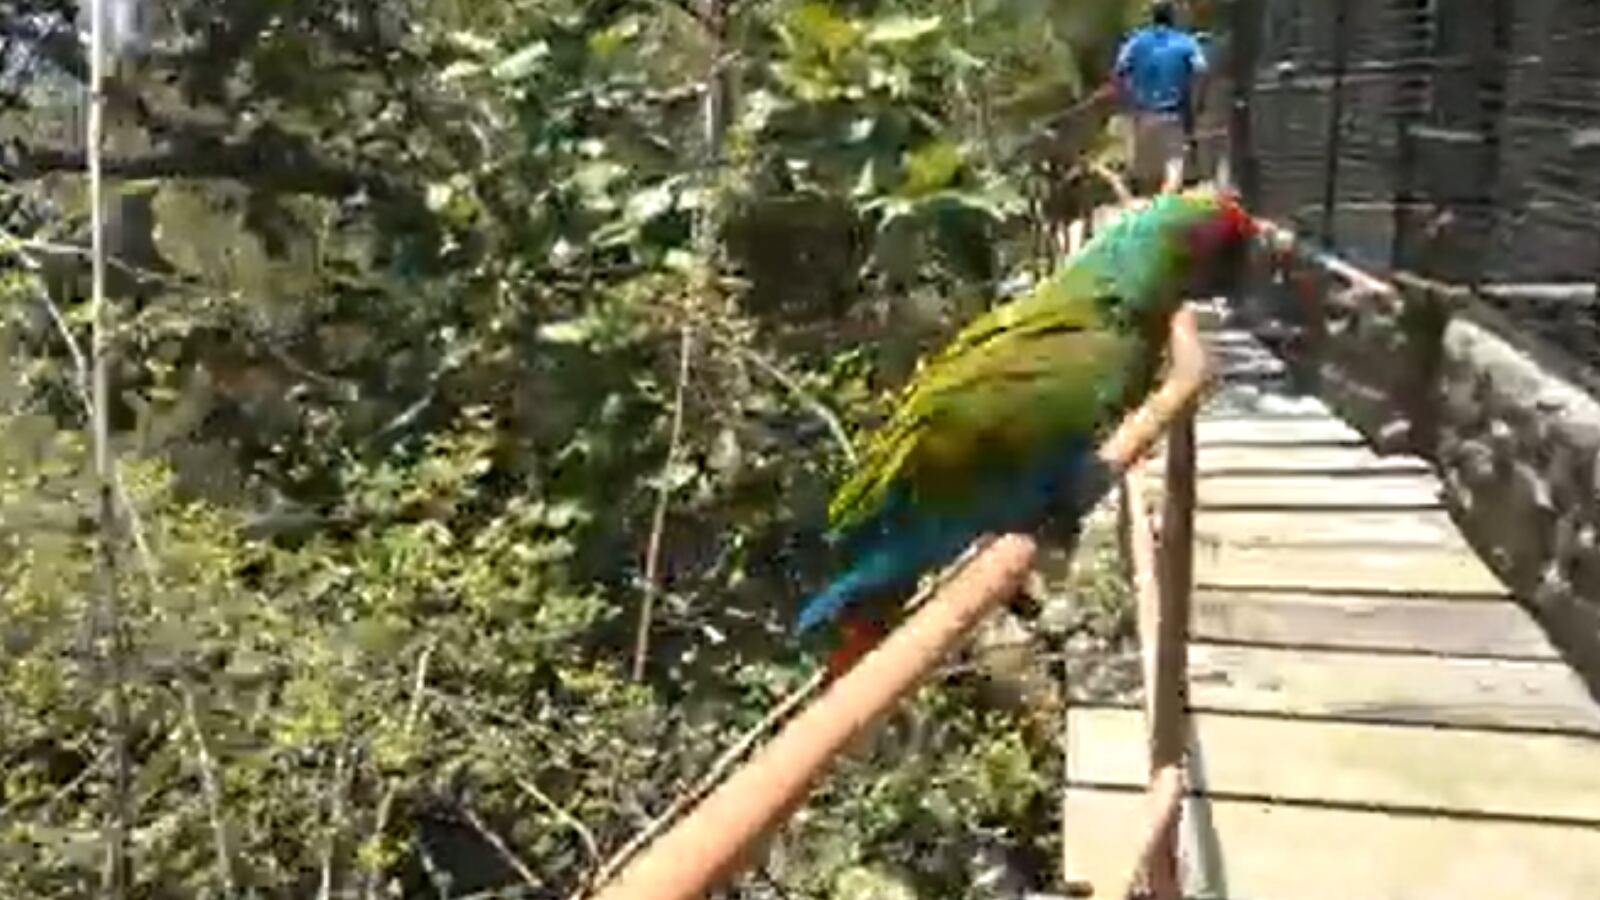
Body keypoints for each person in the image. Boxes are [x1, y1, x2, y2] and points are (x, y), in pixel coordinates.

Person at [1112, 2, 1208, 196]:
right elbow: (1202, 70)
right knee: (1175, 168)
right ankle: (1164, 207)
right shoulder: (1186, 42)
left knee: (1144, 177)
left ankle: (1149, 211)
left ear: (1153, 18)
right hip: (1173, 114)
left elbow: (1119, 71)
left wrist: (1128, 99)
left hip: (1143, 114)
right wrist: (1197, 101)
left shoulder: (1136, 42)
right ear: (1173, 17)